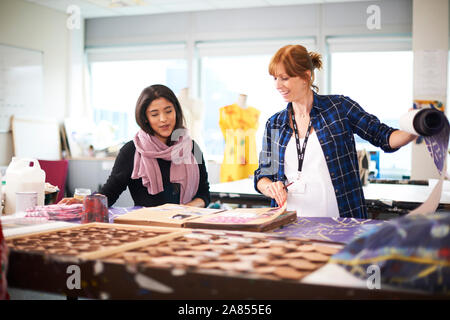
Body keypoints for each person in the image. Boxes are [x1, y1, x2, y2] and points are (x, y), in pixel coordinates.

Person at [254, 45, 417, 219]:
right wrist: (270, 188)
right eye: (274, 78)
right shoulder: (275, 124)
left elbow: (384, 137)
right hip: (288, 222)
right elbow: (263, 174)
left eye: (284, 78)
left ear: (305, 76)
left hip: (341, 221)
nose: (277, 85)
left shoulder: (339, 108)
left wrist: (411, 130)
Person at [61, 84, 210, 208]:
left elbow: (204, 193)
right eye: (154, 114)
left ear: (176, 111)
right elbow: (110, 193)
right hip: (146, 228)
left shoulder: (193, 148)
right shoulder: (132, 150)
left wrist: (184, 210)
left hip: (185, 223)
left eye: (168, 111)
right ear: (145, 118)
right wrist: (83, 202)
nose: (163, 119)